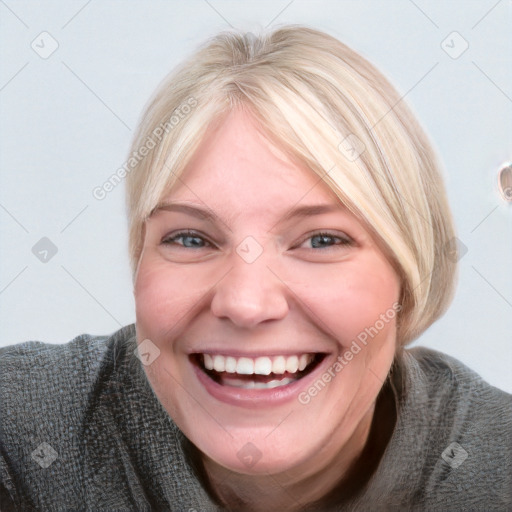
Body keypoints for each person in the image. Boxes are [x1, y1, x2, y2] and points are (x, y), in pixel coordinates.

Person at [0, 25, 510, 512]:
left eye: (322, 240)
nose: (245, 303)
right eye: (191, 238)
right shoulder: (23, 434)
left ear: (409, 275)